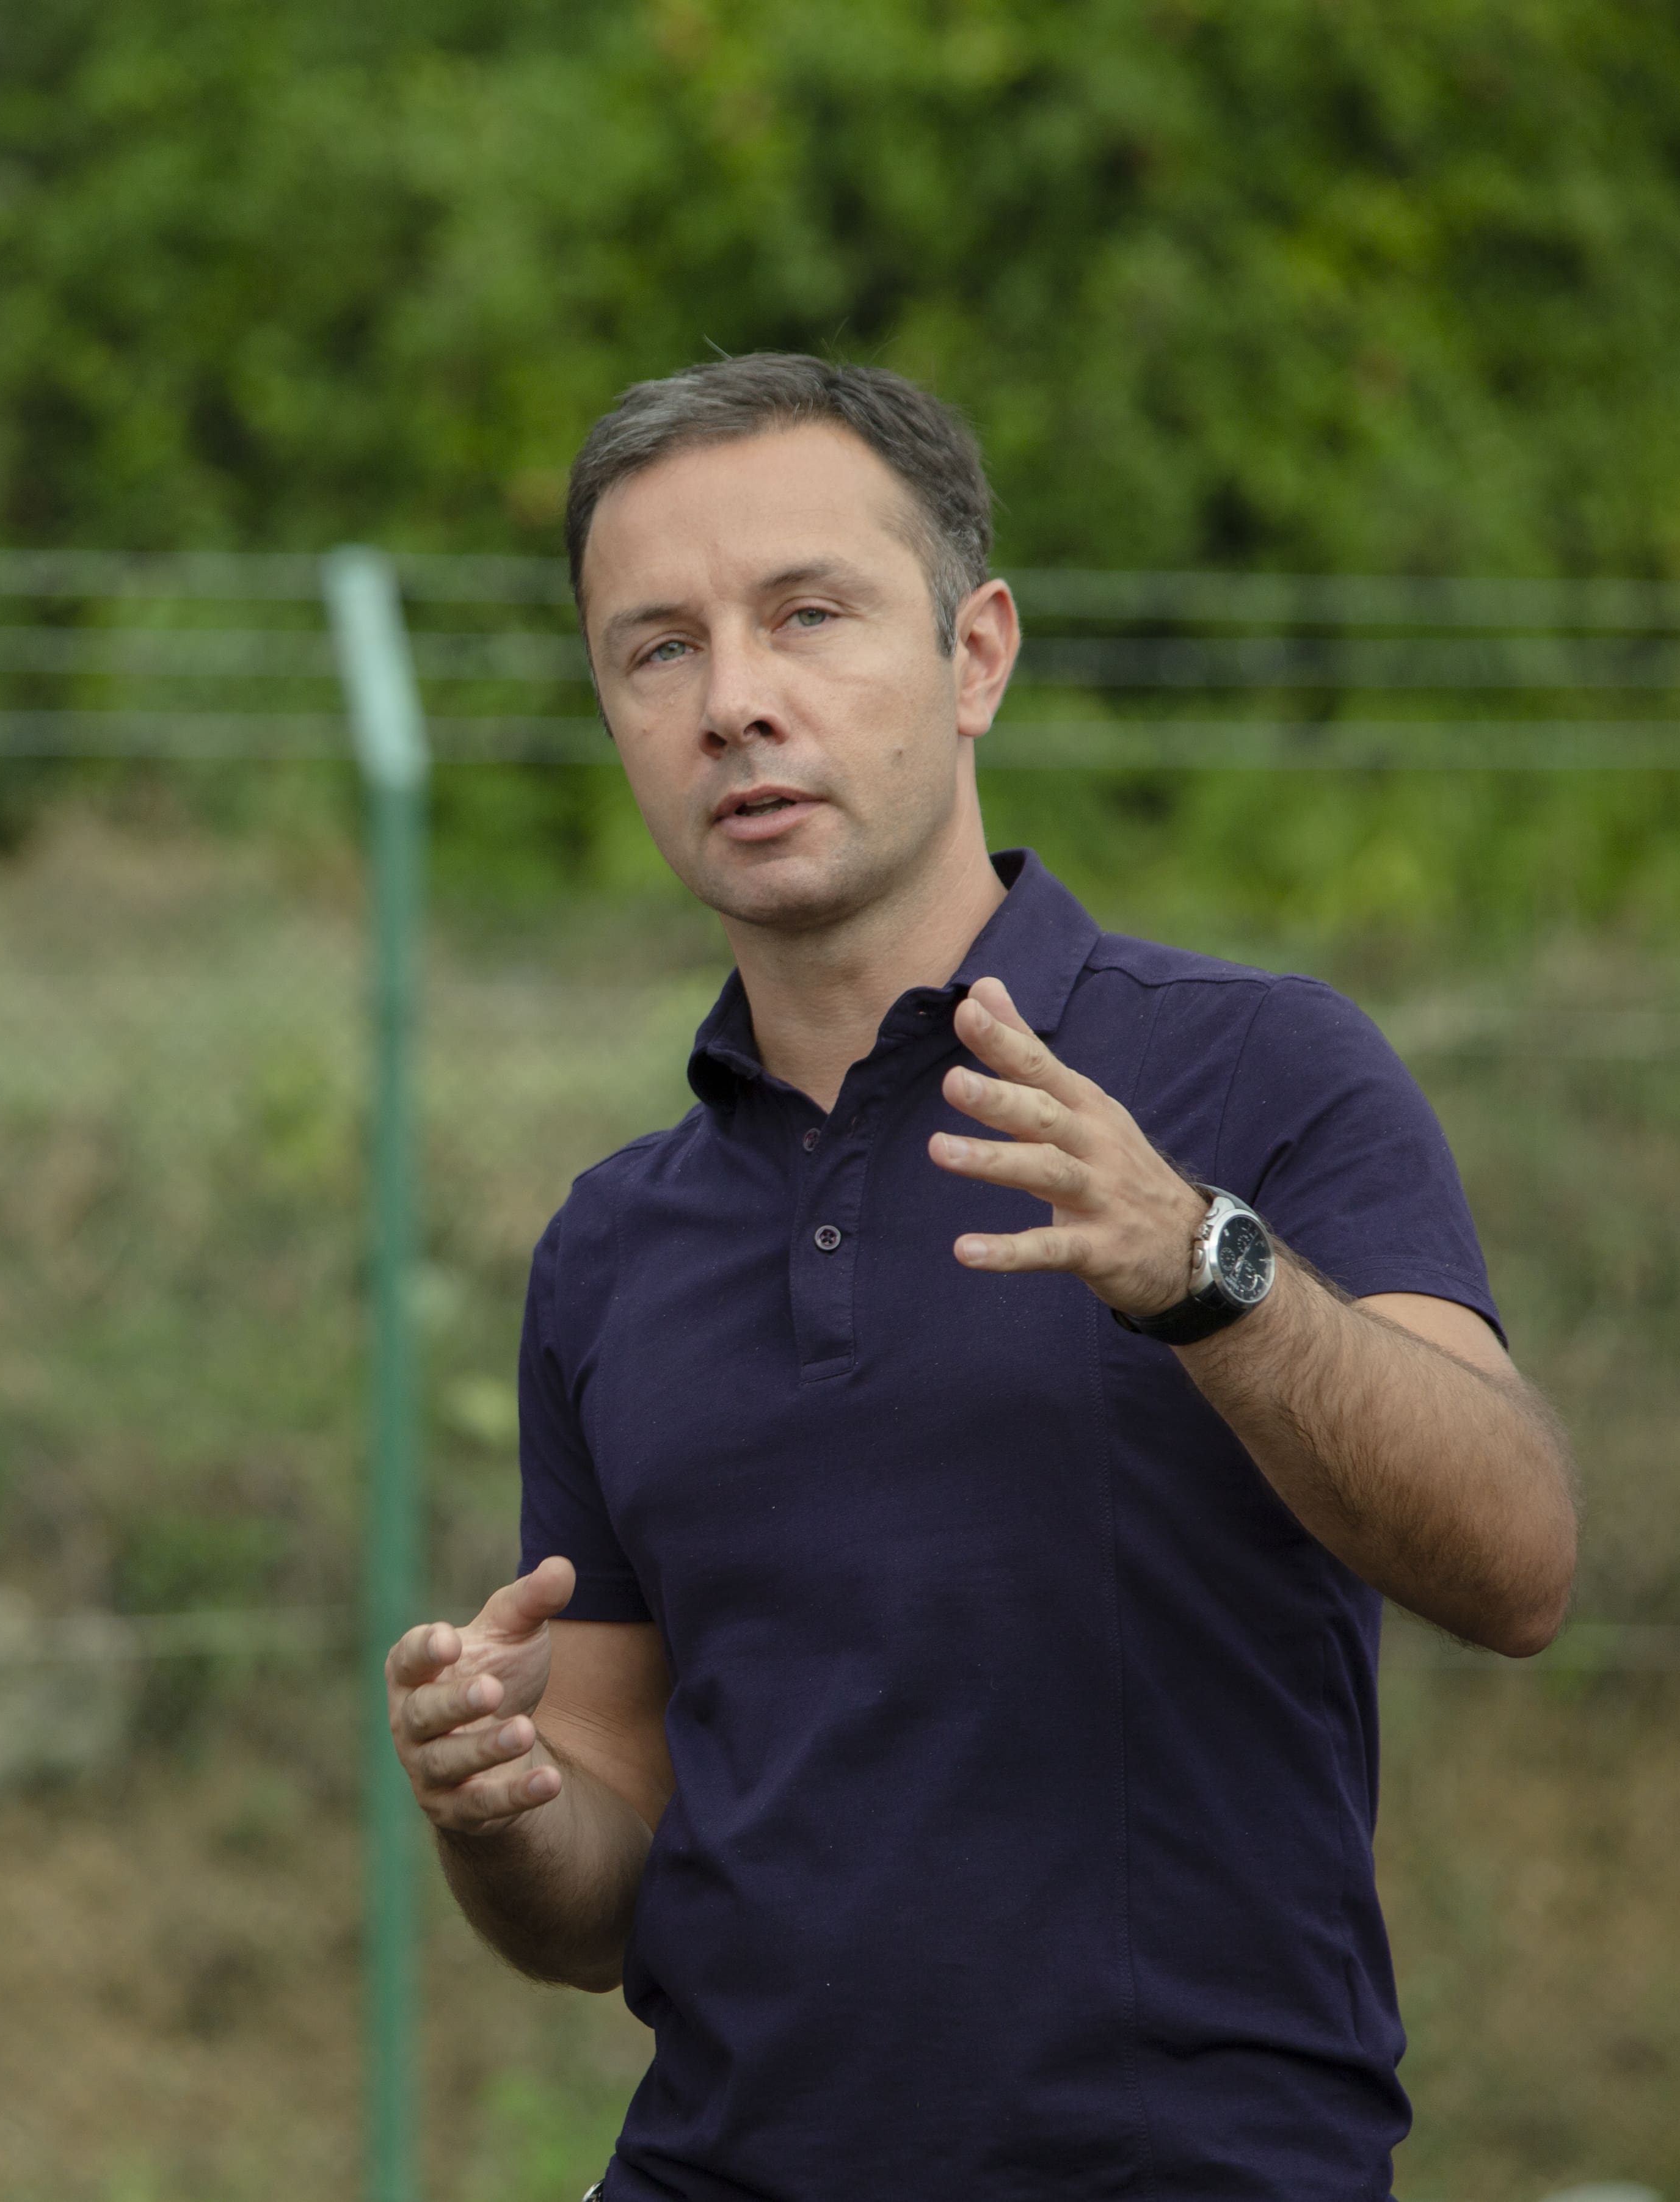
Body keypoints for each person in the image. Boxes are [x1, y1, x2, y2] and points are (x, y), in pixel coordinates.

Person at [384, 355, 1578, 2200]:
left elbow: (1518, 1564)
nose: (734, 701)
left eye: (807, 615)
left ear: (976, 657)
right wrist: (497, 1812)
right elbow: (600, 1900)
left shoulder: (1260, 1071)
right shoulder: (611, 1245)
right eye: (659, 649)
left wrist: (1207, 1271)